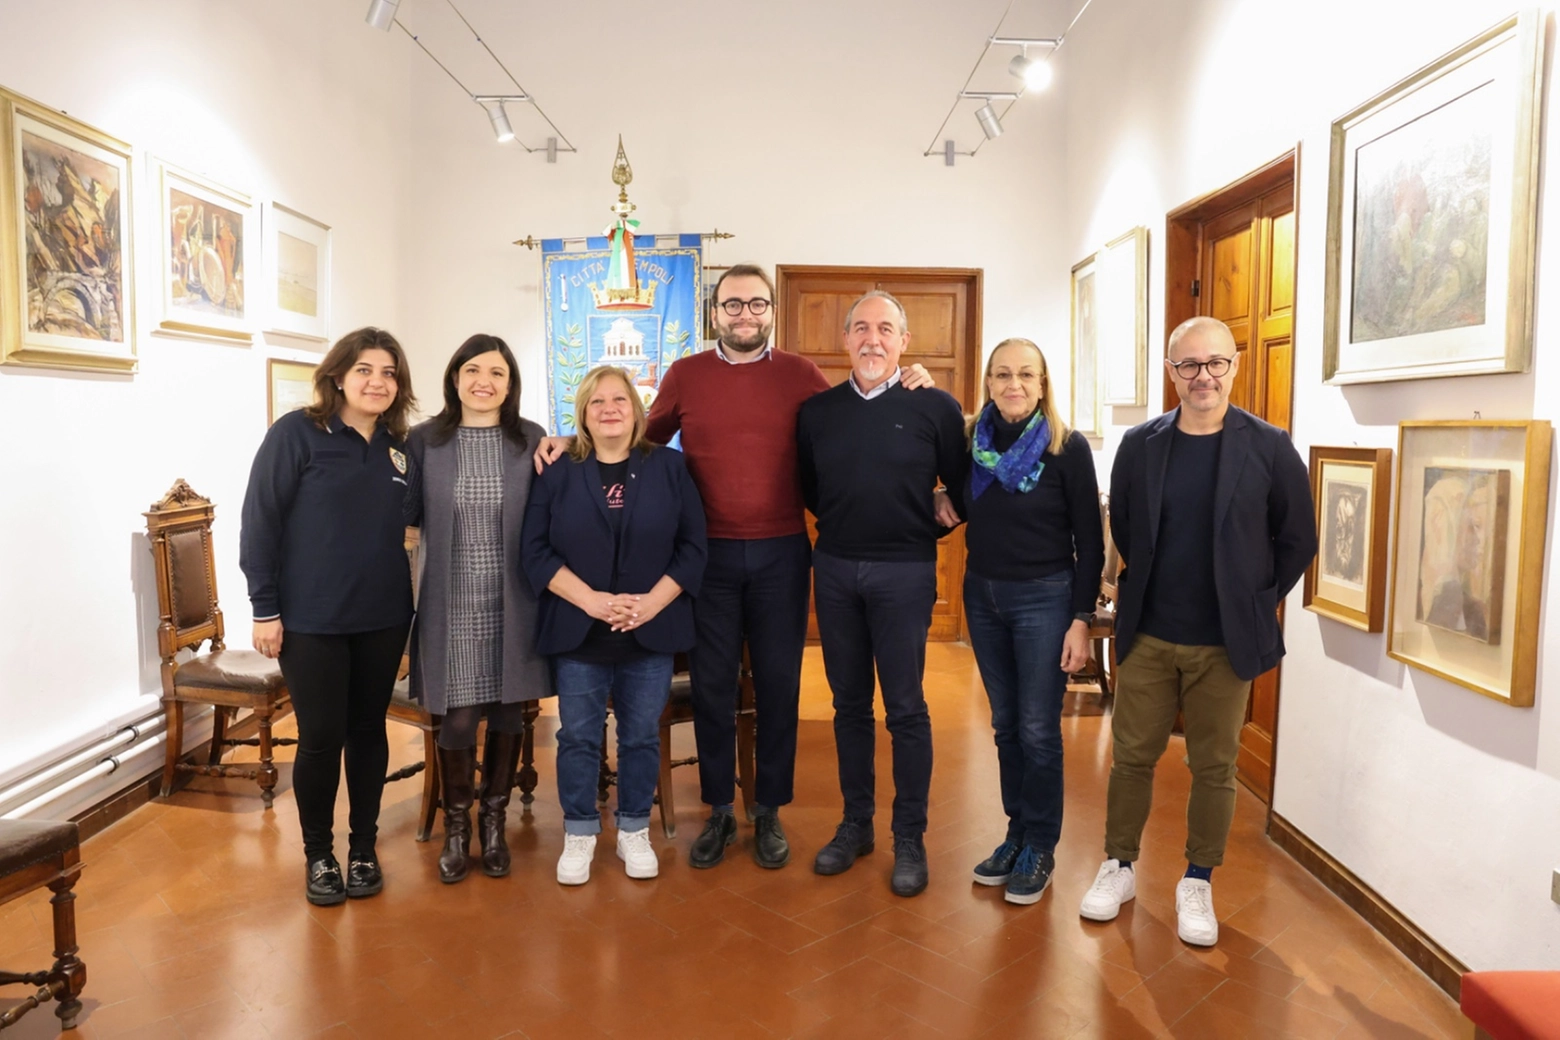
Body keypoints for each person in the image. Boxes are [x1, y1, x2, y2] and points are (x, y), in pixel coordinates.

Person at [532, 264, 937, 871]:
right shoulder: (687, 374)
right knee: (716, 689)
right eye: (732, 305)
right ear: (713, 313)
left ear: (771, 311)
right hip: (708, 558)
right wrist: (569, 439)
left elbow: (854, 415)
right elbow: (634, 433)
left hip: (783, 551)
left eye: (756, 304)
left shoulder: (800, 375)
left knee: (778, 687)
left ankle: (768, 808)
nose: (744, 314)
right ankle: (720, 808)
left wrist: (913, 380)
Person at [1078, 316, 1316, 945]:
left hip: (1225, 643)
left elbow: (1297, 538)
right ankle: (1119, 865)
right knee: (1132, 757)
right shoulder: (1142, 444)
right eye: (1188, 365)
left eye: (1215, 363)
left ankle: (1197, 880)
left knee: (1215, 765)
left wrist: (1254, 598)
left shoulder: (1269, 446)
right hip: (1151, 633)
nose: (1203, 375)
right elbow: (1125, 526)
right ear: (1171, 372)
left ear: (1234, 366)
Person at [797, 290, 968, 898]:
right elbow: (812, 489)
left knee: (905, 709)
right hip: (837, 570)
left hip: (905, 573)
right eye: (862, 329)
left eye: (886, 329)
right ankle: (855, 825)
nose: (873, 339)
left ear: (903, 341)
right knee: (847, 707)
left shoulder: (936, 408)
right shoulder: (818, 413)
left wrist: (943, 505)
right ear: (846, 340)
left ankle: (910, 837)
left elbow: (964, 484)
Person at [240, 327, 418, 907]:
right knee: (320, 738)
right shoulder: (298, 433)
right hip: (310, 619)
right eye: (365, 369)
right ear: (338, 375)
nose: (377, 381)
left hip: (384, 615)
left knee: (369, 732)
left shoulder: (402, 448)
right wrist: (265, 609)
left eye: (389, 372)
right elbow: (259, 523)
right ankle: (320, 855)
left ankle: (363, 849)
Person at [521, 366, 707, 886]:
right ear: (582, 411)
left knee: (641, 737)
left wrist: (651, 604)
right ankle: (580, 833)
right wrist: (594, 602)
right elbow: (534, 552)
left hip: (650, 629)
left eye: (620, 400)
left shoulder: (669, 467)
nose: (609, 408)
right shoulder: (557, 471)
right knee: (578, 736)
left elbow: (694, 548)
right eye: (597, 400)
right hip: (580, 631)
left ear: (637, 410)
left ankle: (632, 831)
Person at [950, 338, 1103, 905]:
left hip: (1045, 600)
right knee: (1006, 726)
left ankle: (1041, 843)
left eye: (1025, 375)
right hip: (983, 597)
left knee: (1039, 731)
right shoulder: (971, 443)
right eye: (1002, 374)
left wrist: (1081, 620)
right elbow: (958, 506)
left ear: (1043, 385)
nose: (1013, 384)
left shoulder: (1067, 448)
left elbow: (1091, 542)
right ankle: (1015, 833)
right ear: (988, 382)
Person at [406, 334, 552, 885]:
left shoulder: (530, 438)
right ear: (455, 378)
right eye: (472, 370)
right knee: (461, 713)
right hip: (451, 600)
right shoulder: (425, 441)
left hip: (516, 599)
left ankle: (496, 822)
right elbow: (404, 519)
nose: (483, 381)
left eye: (497, 372)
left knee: (511, 711)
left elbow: (554, 505)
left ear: (510, 384)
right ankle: (458, 827)